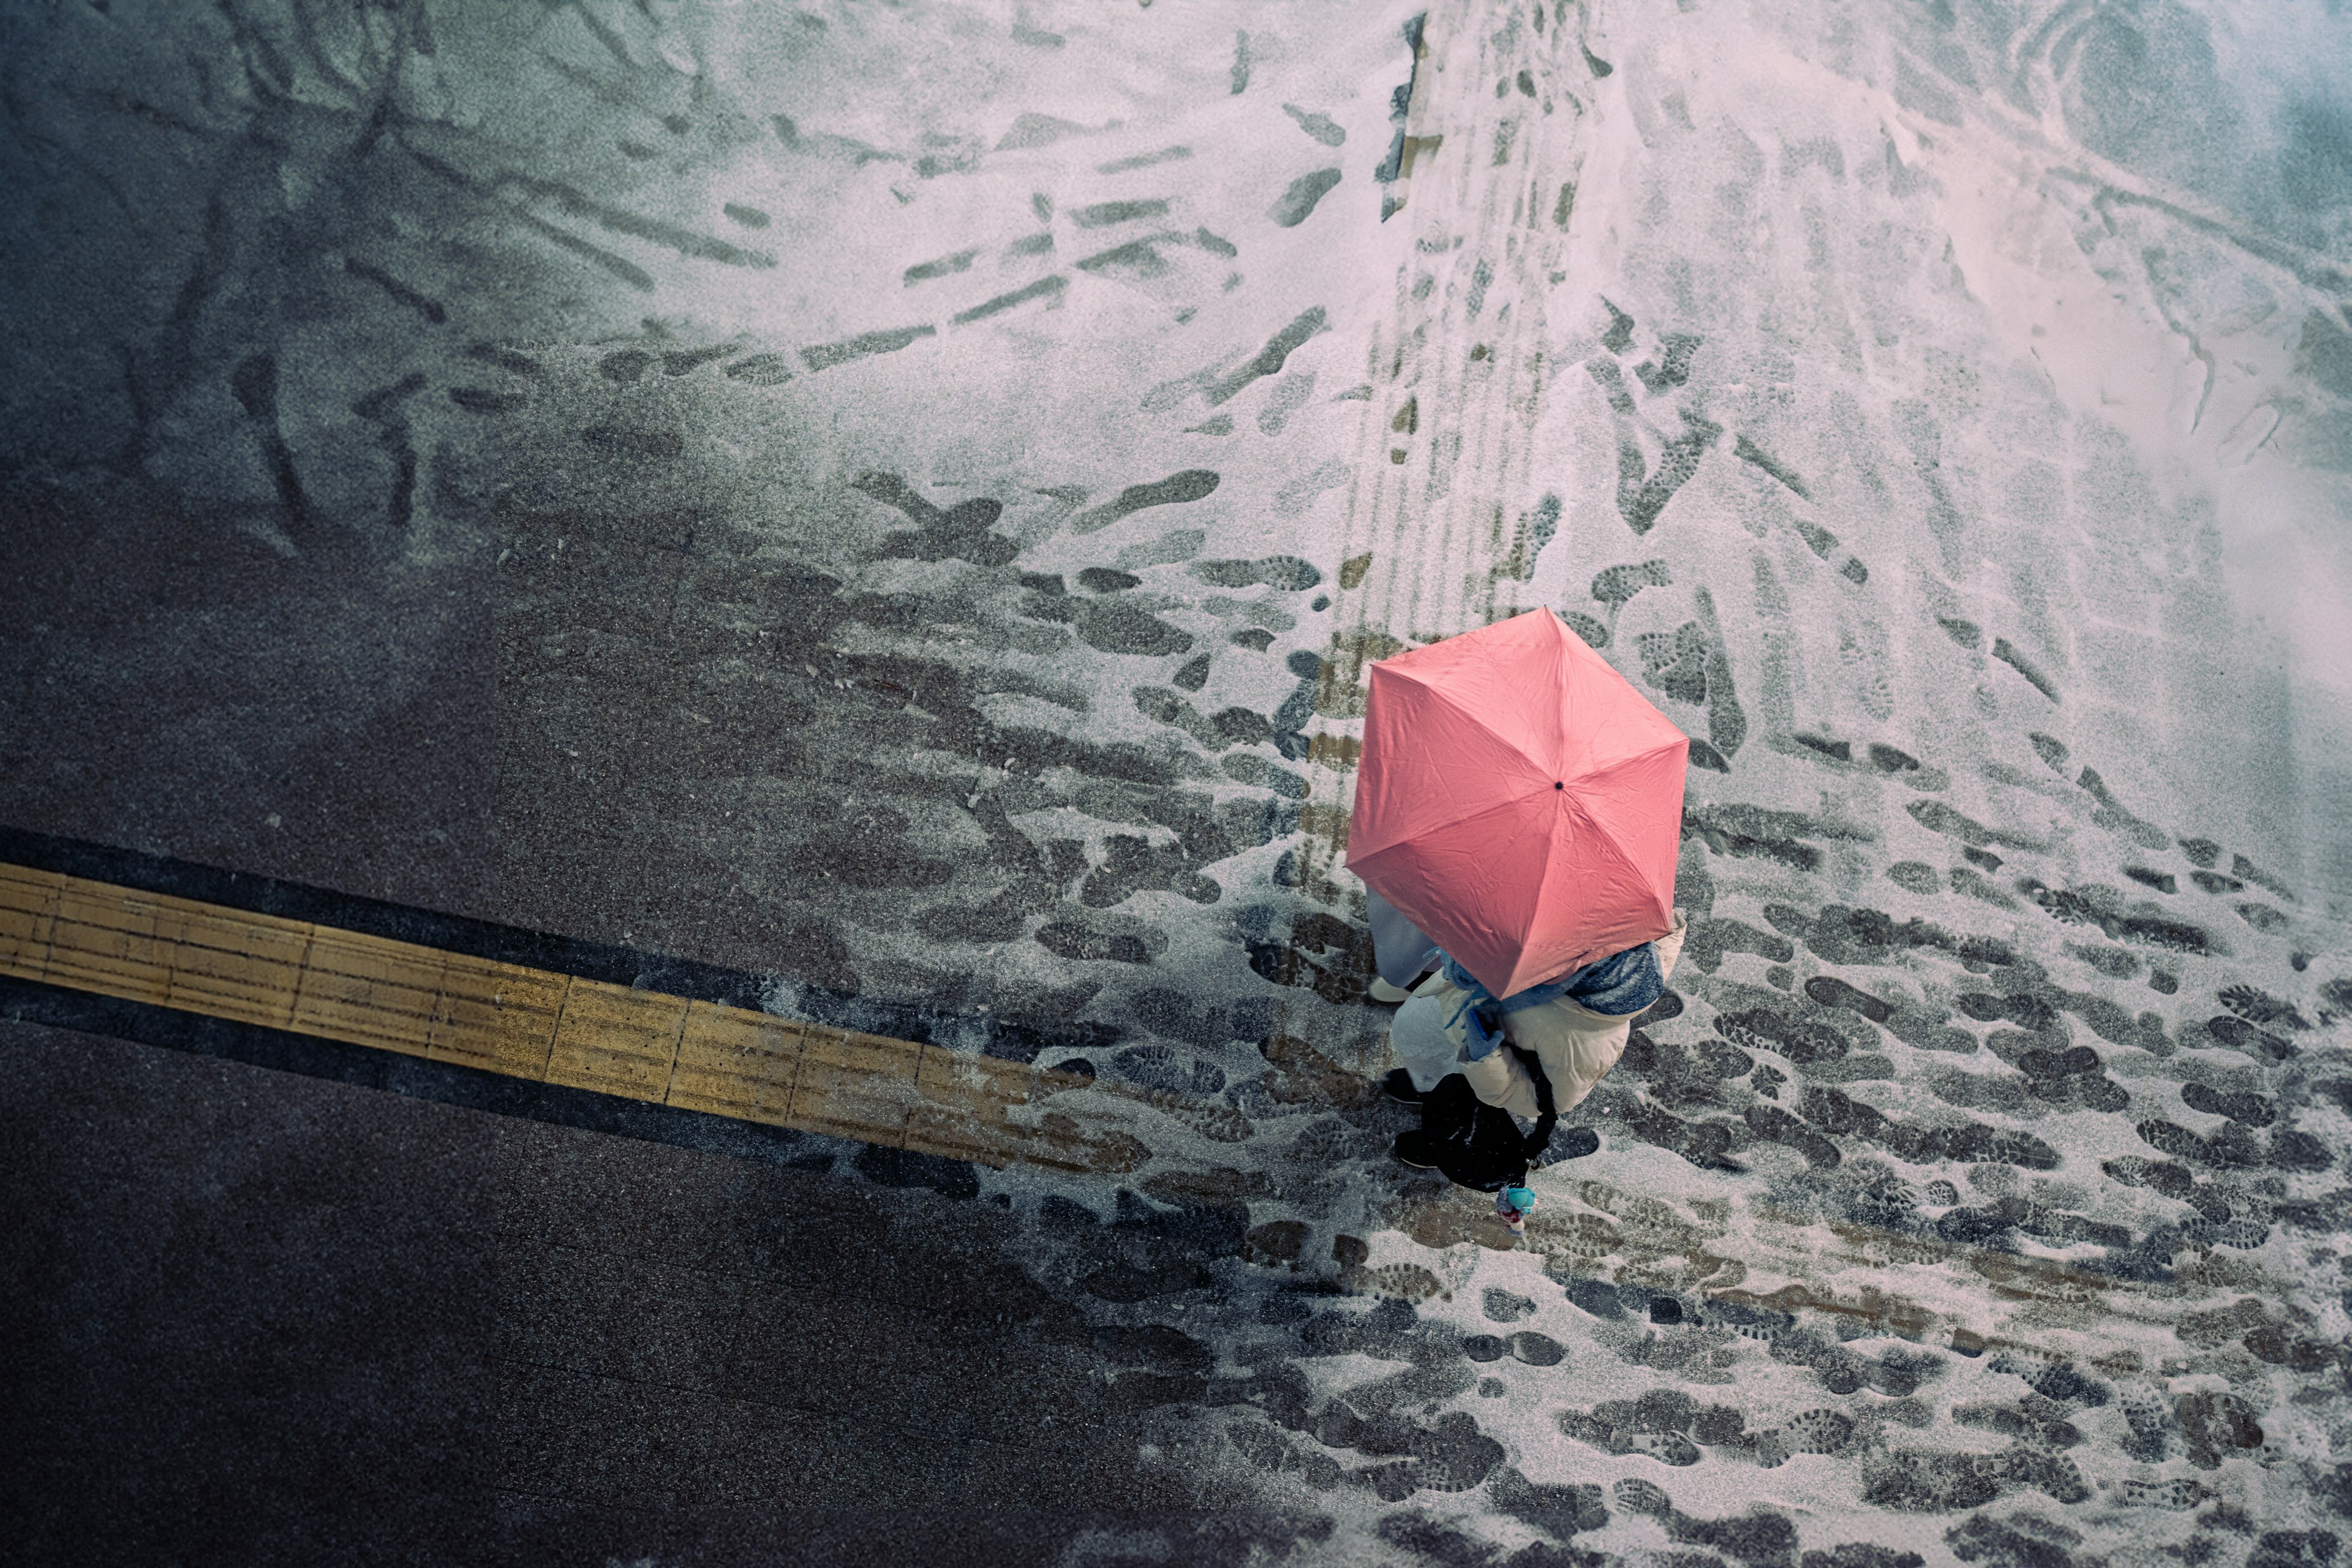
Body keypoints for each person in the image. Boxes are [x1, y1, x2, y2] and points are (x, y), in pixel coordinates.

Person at [1367, 889, 1688, 1182]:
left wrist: (1484, 1058)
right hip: (1446, 1013)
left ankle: (1440, 1139)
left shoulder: (1582, 1044)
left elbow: (1535, 1101)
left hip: (1477, 1065)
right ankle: (1427, 1081)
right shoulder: (1588, 926)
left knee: (1454, 1101)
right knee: (1430, 1062)